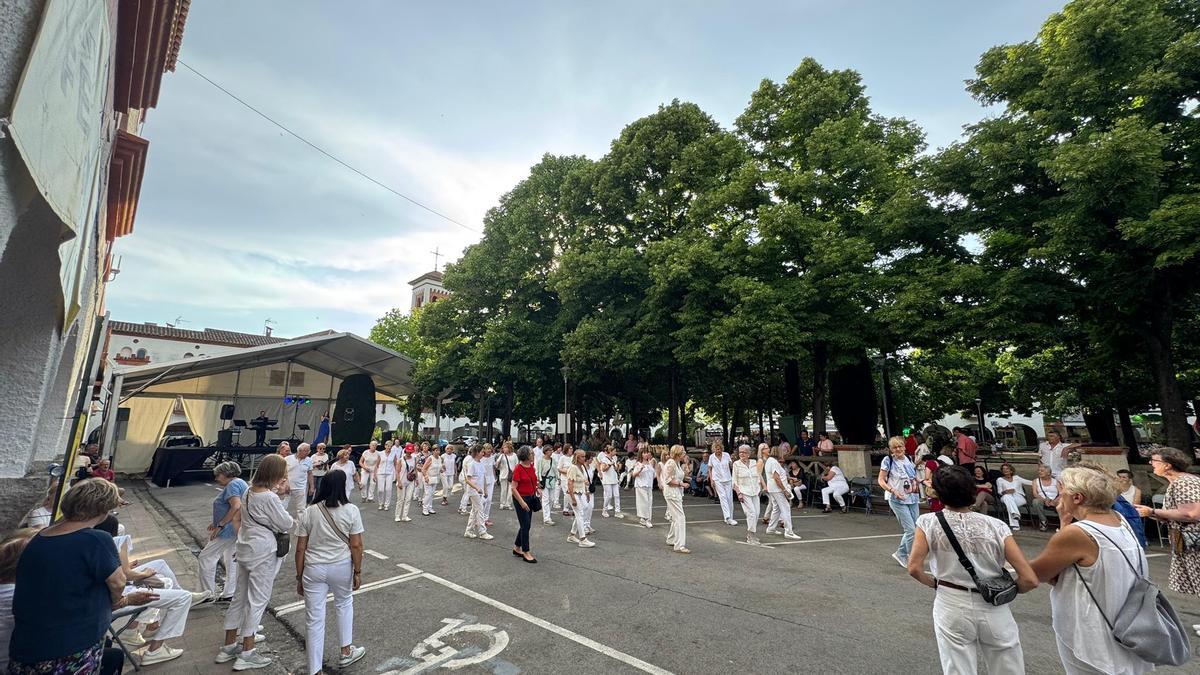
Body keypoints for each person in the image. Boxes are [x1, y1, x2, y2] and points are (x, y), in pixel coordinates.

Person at [9, 479, 160, 672]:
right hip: (71, 644)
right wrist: (122, 600)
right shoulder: (95, 540)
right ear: (102, 510)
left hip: (29, 643)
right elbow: (118, 582)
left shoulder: (40, 538)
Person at [907, 465, 1038, 674]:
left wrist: (935, 584)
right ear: (971, 491)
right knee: (1008, 664)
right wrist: (1008, 590)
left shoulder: (928, 522)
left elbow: (914, 567)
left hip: (951, 598)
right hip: (993, 602)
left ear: (940, 494)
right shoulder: (996, 526)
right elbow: (1029, 578)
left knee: (957, 666)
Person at [1030, 466, 1154, 674]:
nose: (1060, 496)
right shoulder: (1119, 520)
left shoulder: (1077, 534)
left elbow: (1036, 574)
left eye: (1062, 491)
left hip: (1091, 628)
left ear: (1077, 497)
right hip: (1128, 622)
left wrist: (1064, 523)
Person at [218, 454, 294, 670]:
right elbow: (285, 522)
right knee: (258, 599)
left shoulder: (248, 492)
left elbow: (241, 518)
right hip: (262, 550)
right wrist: (278, 498)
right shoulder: (269, 497)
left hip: (245, 547)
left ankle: (229, 644)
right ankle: (248, 650)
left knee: (239, 597)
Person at [295, 468, 367, 675]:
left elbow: (301, 547)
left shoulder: (309, 511)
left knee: (314, 618)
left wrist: (299, 576)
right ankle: (346, 651)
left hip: (313, 568)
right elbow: (356, 545)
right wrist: (358, 571)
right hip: (341, 566)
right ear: (342, 487)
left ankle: (314, 669)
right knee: (344, 604)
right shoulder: (351, 510)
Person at [1134, 447, 1200, 596]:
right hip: (1187, 542)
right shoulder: (1178, 482)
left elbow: (1191, 514)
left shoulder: (1184, 482)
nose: (1151, 463)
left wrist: (1153, 511)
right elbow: (1176, 514)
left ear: (1167, 464)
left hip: (1194, 542)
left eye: (1154, 460)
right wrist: (1150, 513)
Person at [198, 461, 247, 603]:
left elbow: (236, 505)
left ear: (226, 474)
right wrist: (216, 522)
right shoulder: (240, 483)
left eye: (218, 475)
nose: (216, 478)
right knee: (231, 560)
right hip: (236, 528)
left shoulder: (232, 485)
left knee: (206, 557)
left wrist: (220, 524)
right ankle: (229, 592)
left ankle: (206, 593)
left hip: (228, 529)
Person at [880, 436, 920, 567]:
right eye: (894, 447)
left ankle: (900, 553)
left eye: (900, 446)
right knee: (910, 530)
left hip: (912, 497)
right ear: (891, 449)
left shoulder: (909, 459)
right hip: (896, 498)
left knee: (915, 529)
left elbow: (913, 477)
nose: (898, 449)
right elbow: (881, 480)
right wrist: (892, 490)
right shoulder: (888, 460)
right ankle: (911, 558)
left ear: (904, 446)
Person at [764, 445, 802, 540]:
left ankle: (771, 528)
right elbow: (777, 478)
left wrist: (789, 478)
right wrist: (784, 490)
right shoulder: (774, 463)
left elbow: (777, 476)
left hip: (772, 488)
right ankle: (789, 531)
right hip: (778, 489)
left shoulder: (769, 461)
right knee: (786, 509)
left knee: (777, 509)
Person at [510, 445, 541, 563]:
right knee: (526, 525)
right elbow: (513, 488)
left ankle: (517, 547)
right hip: (520, 499)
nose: (533, 455)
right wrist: (522, 502)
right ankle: (526, 551)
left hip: (530, 497)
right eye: (531, 453)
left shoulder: (531, 467)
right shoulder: (518, 468)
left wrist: (536, 488)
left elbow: (533, 479)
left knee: (525, 524)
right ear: (526, 455)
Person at [732, 444, 766, 545]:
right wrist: (739, 493)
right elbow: (734, 481)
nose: (742, 454)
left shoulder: (754, 463)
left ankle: (750, 533)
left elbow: (759, 476)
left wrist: (762, 487)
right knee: (751, 513)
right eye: (740, 452)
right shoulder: (736, 464)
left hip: (755, 491)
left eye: (744, 452)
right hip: (743, 491)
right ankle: (751, 535)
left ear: (749, 454)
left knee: (756, 513)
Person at [566, 449, 597, 548]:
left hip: (580, 493)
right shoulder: (573, 468)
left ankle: (572, 535)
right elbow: (570, 483)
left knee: (580, 513)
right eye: (582, 456)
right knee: (580, 514)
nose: (584, 458)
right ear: (577, 457)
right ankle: (582, 539)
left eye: (584, 456)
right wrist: (573, 498)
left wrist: (587, 492)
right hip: (573, 494)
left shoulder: (582, 467)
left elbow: (584, 481)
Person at [462, 446, 493, 540]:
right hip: (473, 491)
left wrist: (485, 490)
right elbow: (468, 480)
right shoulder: (472, 464)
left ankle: (469, 531)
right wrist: (477, 488)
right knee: (480, 510)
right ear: (476, 453)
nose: (483, 454)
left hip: (479, 491)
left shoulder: (480, 463)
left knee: (474, 511)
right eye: (481, 452)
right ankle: (482, 532)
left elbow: (483, 478)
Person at [663, 445, 689, 554]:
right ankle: (679, 545)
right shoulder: (671, 463)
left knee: (675, 517)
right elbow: (668, 480)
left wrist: (685, 478)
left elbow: (677, 476)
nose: (684, 453)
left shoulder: (677, 463)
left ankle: (671, 538)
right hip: (672, 492)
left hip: (676, 492)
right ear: (678, 453)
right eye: (683, 452)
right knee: (680, 517)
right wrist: (681, 483)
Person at [995, 463, 1034, 531]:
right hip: (1005, 497)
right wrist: (1006, 491)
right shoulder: (999, 479)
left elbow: (1029, 482)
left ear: (1011, 471)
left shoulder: (1017, 478)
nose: (1005, 470)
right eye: (1003, 469)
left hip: (1019, 497)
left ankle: (1015, 520)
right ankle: (1015, 517)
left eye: (1007, 468)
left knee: (1010, 504)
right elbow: (999, 491)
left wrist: (1042, 481)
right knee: (1007, 497)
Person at [708, 441, 736, 526]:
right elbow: (710, 469)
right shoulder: (712, 457)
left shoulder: (726, 455)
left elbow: (731, 466)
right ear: (714, 449)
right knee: (723, 497)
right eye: (716, 449)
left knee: (729, 498)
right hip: (717, 479)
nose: (718, 451)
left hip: (728, 479)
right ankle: (727, 517)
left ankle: (730, 517)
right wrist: (712, 480)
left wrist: (732, 462)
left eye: (719, 449)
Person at [285, 443, 314, 523]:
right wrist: (285, 483)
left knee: (301, 509)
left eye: (309, 450)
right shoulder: (287, 459)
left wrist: (312, 487)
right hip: (287, 487)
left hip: (301, 488)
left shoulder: (309, 460)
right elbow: (283, 472)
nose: (309, 452)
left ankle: (301, 528)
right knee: (282, 506)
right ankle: (281, 527)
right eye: (307, 450)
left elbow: (310, 473)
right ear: (300, 451)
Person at [630, 447, 656, 528]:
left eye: (647, 453)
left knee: (649, 502)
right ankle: (646, 519)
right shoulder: (638, 464)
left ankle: (646, 519)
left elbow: (653, 474)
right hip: (641, 485)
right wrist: (640, 470)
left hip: (649, 485)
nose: (646, 454)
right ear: (641, 454)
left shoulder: (650, 464)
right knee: (643, 503)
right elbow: (634, 474)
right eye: (644, 453)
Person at [1031, 464, 1062, 532]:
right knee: (1035, 501)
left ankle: (1062, 524)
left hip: (1055, 500)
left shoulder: (1055, 481)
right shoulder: (1035, 481)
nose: (1039, 472)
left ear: (1048, 473)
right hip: (1042, 500)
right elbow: (1035, 494)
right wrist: (1045, 500)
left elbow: (1061, 494)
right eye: (1039, 470)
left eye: (1042, 471)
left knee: (1062, 502)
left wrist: (1054, 501)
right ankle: (1043, 521)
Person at [395, 445, 420, 523]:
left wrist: (416, 479)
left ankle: (405, 516)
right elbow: (397, 472)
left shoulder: (414, 459)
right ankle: (397, 516)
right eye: (408, 451)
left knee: (408, 499)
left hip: (410, 481)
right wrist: (399, 482)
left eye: (411, 451)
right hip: (402, 481)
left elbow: (415, 469)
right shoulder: (400, 460)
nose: (409, 453)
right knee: (400, 499)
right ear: (405, 451)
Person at [598, 444, 623, 518]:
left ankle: (617, 511)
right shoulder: (604, 459)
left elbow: (616, 469)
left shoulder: (614, 459)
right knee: (608, 496)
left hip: (614, 479)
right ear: (610, 451)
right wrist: (609, 465)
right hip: (607, 480)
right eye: (614, 451)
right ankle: (604, 510)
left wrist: (618, 466)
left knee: (617, 495)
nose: (615, 452)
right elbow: (603, 469)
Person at [536, 444, 557, 526]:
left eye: (552, 450)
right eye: (550, 450)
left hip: (552, 481)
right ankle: (547, 518)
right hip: (544, 481)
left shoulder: (553, 460)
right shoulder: (541, 460)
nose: (551, 452)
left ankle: (548, 515)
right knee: (546, 499)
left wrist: (558, 478)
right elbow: (538, 471)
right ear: (545, 451)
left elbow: (556, 470)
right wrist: (539, 481)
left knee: (552, 499)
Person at [421, 446, 442, 516]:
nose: (437, 452)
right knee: (428, 493)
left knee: (432, 494)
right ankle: (425, 509)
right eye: (436, 450)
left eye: (438, 450)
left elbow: (439, 468)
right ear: (433, 451)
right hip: (428, 477)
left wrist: (442, 470)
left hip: (435, 478)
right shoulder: (430, 458)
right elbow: (423, 469)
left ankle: (430, 507)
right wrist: (426, 477)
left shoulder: (440, 458)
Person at [496, 442, 517, 511]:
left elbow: (517, 464)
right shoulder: (502, 455)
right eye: (503, 448)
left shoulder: (514, 455)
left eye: (505, 447)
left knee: (511, 490)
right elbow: (497, 466)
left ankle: (508, 504)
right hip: (503, 474)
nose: (504, 449)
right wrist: (499, 460)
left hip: (512, 475)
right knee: (503, 490)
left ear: (509, 448)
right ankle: (502, 503)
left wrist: (515, 471)